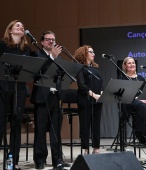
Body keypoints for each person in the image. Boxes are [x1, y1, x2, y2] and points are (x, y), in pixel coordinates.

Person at [30, 31, 70, 170]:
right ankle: (40, 160)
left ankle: (57, 159)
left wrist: (56, 58)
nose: (51, 42)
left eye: (53, 39)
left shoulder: (57, 57)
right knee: (40, 130)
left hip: (56, 97)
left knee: (56, 131)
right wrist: (52, 57)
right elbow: (37, 73)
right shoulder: (37, 55)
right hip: (41, 97)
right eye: (48, 39)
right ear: (41, 42)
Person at [0, 20, 32, 170]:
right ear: (10, 30)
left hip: (19, 89)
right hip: (3, 87)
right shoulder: (2, 46)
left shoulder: (25, 49)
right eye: (17, 25)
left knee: (17, 123)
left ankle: (13, 161)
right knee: (0, 123)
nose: (21, 27)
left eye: (22, 26)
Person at [119, 56, 146, 144]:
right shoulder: (122, 78)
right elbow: (124, 94)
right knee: (141, 106)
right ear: (125, 66)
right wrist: (139, 99)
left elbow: (145, 91)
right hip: (130, 101)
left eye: (133, 63)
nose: (132, 64)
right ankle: (139, 133)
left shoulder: (140, 78)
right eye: (129, 63)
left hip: (142, 100)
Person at [74, 45, 103, 155]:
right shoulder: (80, 68)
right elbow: (82, 85)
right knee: (85, 125)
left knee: (96, 124)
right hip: (85, 99)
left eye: (93, 51)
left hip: (97, 100)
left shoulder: (95, 69)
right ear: (84, 54)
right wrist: (93, 95)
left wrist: (101, 93)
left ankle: (96, 148)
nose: (93, 54)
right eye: (91, 52)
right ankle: (85, 149)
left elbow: (101, 83)